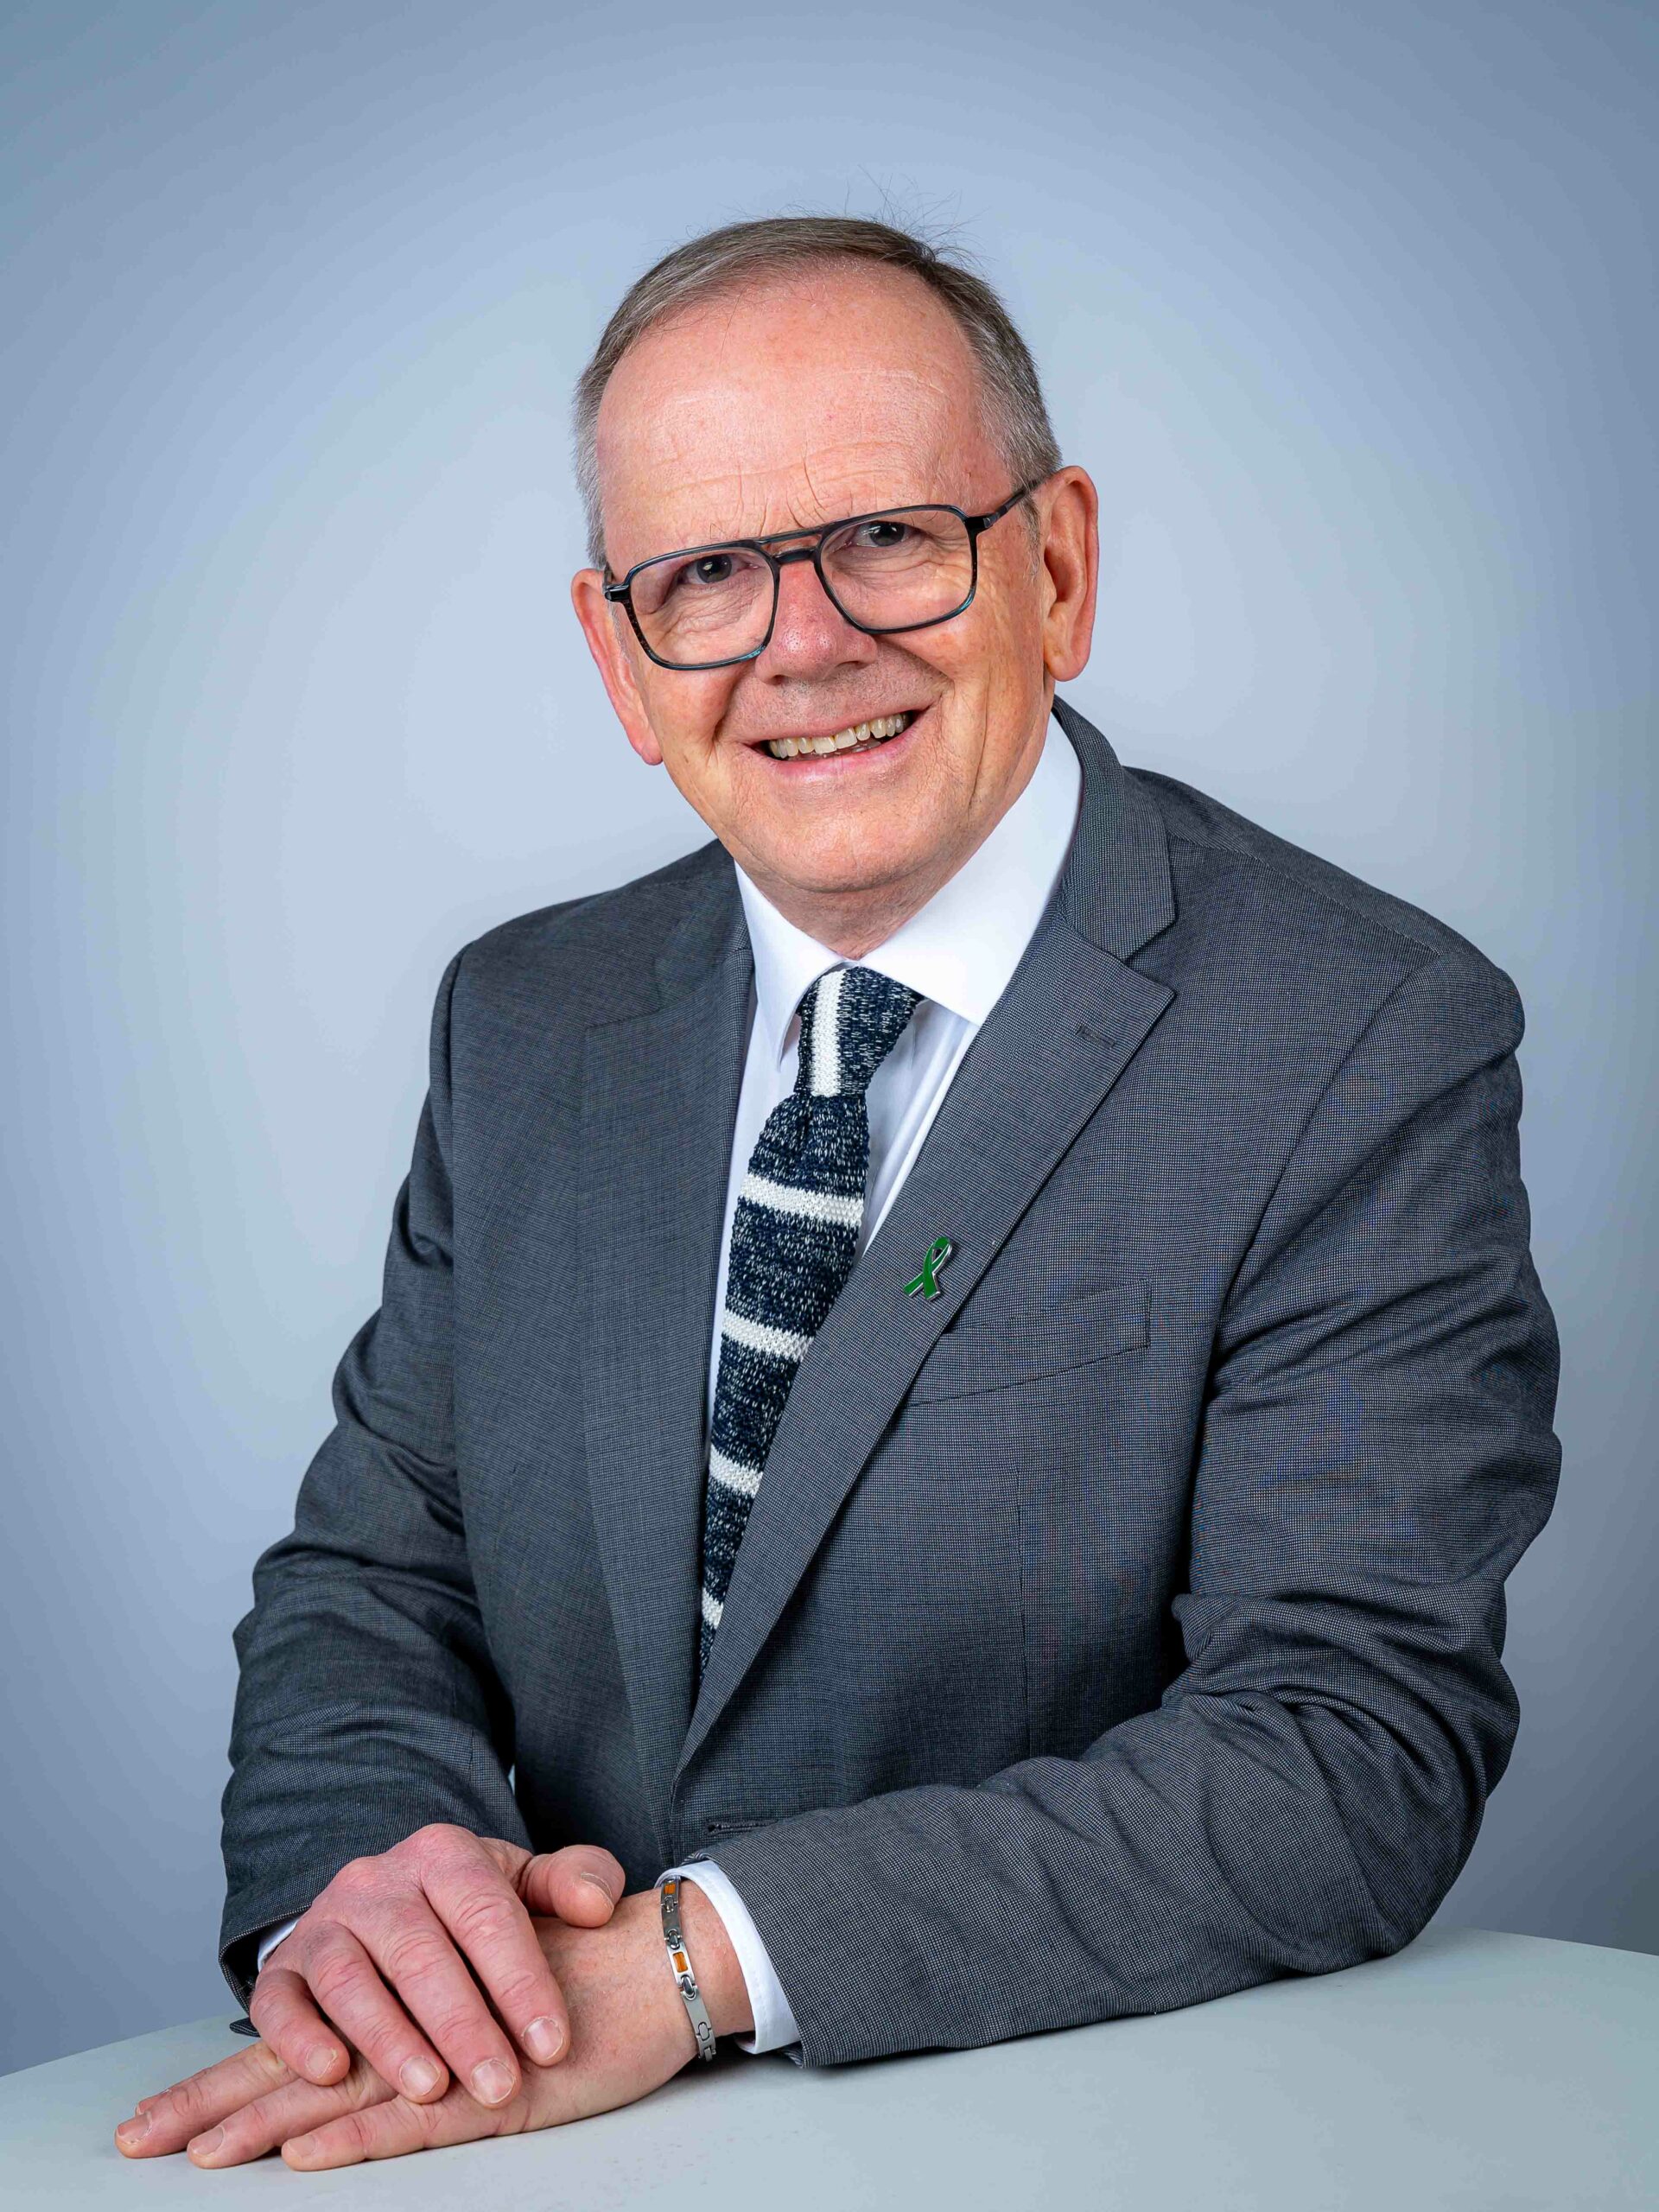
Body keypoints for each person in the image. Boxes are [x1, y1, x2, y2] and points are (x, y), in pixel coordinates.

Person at [116, 214, 1562, 2172]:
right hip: (532, 2142)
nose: (803, 642)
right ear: (620, 658)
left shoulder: (1359, 1033)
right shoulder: (525, 1017)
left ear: (1058, 568)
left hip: (1100, 2148)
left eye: (887, 533)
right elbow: (382, 1577)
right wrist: (382, 1916)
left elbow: (1347, 1745)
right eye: (706, 574)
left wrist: (694, 1964)